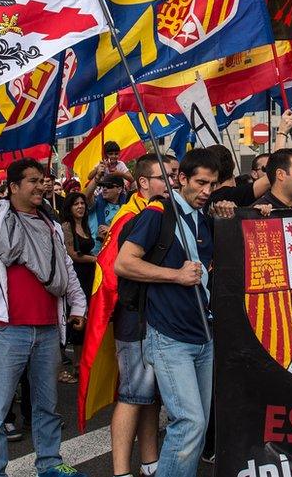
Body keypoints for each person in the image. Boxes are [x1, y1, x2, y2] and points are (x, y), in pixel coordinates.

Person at [0, 151, 88, 477]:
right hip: (7, 331)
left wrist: (78, 306)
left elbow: (65, 270)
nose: (41, 186)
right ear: (13, 187)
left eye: (42, 181)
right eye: (33, 181)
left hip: (49, 331)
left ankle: (50, 463)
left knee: (47, 406)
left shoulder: (50, 224)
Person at [115, 148, 222, 477]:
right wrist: (175, 275)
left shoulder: (205, 217)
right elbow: (124, 263)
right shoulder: (158, 213)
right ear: (182, 179)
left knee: (197, 427)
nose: (206, 191)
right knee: (189, 422)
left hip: (203, 335)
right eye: (200, 182)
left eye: (213, 184)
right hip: (167, 336)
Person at [102, 154, 169, 477]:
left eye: (175, 175)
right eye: (164, 176)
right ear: (143, 183)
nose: (172, 182)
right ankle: (120, 471)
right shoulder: (131, 217)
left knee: (150, 396)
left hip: (155, 317)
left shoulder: (155, 212)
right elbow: (117, 269)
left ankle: (150, 462)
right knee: (132, 394)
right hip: (134, 317)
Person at [60, 191, 98, 383]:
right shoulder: (66, 226)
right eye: (76, 204)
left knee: (88, 316)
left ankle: (84, 361)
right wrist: (95, 259)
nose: (81, 207)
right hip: (76, 275)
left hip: (89, 275)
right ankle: (76, 364)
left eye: (82, 203)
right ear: (69, 207)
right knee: (77, 317)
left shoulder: (85, 225)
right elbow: (72, 254)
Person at [205, 144, 269, 209]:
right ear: (233, 164)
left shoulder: (205, 200)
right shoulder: (236, 194)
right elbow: (272, 175)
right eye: (265, 168)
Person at [85, 174, 126, 251]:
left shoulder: (126, 209)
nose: (104, 189)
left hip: (111, 256)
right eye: (103, 186)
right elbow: (87, 197)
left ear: (119, 189)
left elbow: (128, 232)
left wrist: (111, 230)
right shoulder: (96, 203)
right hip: (91, 255)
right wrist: (97, 177)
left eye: (109, 186)